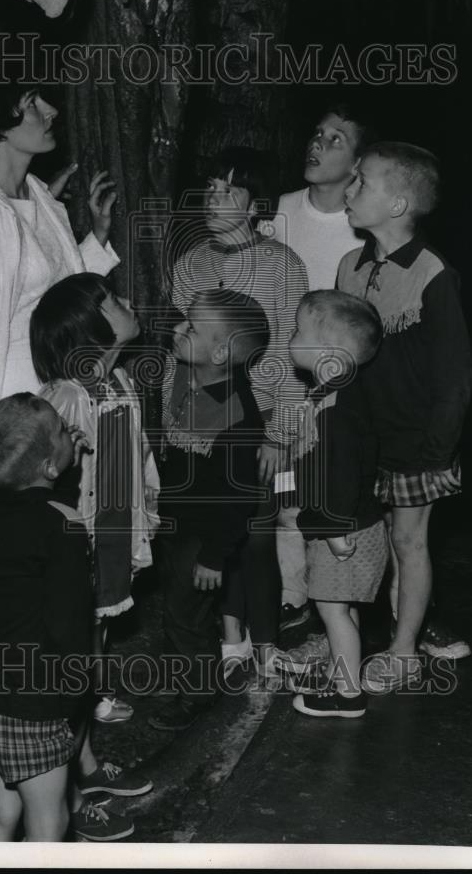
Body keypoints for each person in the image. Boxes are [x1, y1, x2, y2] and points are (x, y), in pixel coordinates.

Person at [0, 32, 119, 470]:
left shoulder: (38, 193)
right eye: (33, 101)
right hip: (12, 428)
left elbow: (50, 298)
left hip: (62, 410)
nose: (50, 110)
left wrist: (97, 238)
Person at [0, 393, 137, 842]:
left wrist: (60, 468)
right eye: (63, 430)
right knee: (50, 819)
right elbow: (67, 622)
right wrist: (74, 695)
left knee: (1, 812)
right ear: (47, 467)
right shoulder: (65, 525)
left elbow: (32, 517)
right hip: (33, 702)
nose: (70, 432)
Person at [338, 141, 472, 691]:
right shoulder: (351, 265)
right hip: (362, 434)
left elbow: (456, 376)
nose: (349, 192)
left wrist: (436, 451)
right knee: (364, 537)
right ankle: (345, 627)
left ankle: (404, 651)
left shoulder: (433, 272)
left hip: (415, 440)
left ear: (397, 204)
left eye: (361, 183)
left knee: (409, 541)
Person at [169, 147, 308, 669]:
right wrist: (179, 423)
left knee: (255, 535)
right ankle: (232, 641)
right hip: (204, 423)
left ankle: (266, 643)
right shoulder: (191, 264)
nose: (215, 198)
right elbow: (183, 353)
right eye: (210, 187)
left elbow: (296, 354)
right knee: (214, 529)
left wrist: (278, 434)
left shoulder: (280, 264)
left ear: (255, 206)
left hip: (260, 424)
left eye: (230, 190)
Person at [258, 104, 376, 634]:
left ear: (357, 164)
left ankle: (348, 607)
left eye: (336, 140)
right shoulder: (275, 211)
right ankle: (293, 599)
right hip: (279, 375)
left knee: (334, 499)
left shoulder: (360, 233)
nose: (318, 144)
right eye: (317, 133)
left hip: (333, 394)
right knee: (284, 498)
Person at [31, 274, 159, 758]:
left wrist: (148, 506)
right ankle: (75, 755)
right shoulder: (67, 397)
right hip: (81, 534)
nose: (129, 302)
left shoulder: (118, 380)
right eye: (115, 301)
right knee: (76, 631)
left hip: (115, 527)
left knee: (97, 624)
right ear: (89, 327)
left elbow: (136, 454)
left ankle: (93, 693)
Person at [150, 289, 271, 732]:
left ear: (220, 352)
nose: (179, 330)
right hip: (177, 524)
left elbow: (240, 498)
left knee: (184, 615)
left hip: (203, 537)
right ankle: (188, 674)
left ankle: (198, 692)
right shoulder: (192, 380)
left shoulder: (238, 414)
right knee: (179, 610)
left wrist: (214, 555)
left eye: (191, 327)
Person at [287, 291, 387, 718]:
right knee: (339, 609)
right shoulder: (334, 395)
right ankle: (338, 671)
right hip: (345, 526)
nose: (291, 338)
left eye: (298, 331)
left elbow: (341, 473)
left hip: (342, 530)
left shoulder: (337, 407)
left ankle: (347, 696)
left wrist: (332, 527)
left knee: (332, 611)